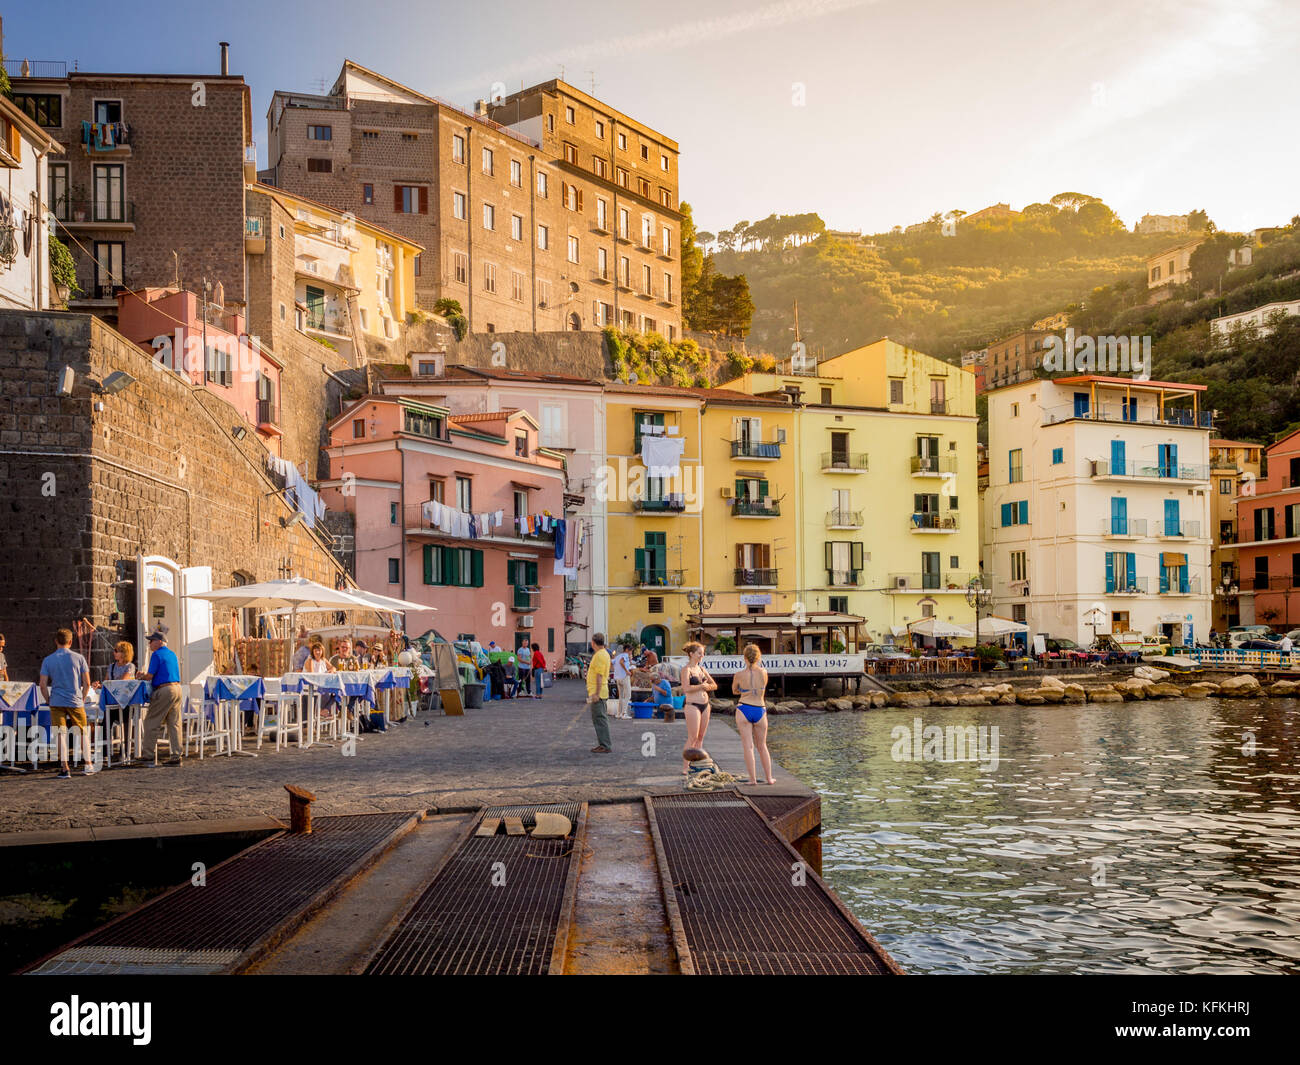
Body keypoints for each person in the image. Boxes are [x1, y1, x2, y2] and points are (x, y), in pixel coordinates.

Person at [39, 628, 95, 777]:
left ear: (56, 641)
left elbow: (43, 685)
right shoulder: (79, 658)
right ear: (70, 641)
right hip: (75, 700)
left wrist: (48, 700)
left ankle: (65, 767)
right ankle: (88, 764)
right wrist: (82, 699)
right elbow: (87, 683)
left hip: (56, 700)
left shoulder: (48, 660)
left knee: (59, 734)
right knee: (83, 732)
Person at [138, 629, 184, 767]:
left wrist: (141, 676)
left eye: (151, 641)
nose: (150, 644)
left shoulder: (157, 655)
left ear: (159, 642)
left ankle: (148, 756)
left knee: (151, 722)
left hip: (164, 690)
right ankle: (176, 756)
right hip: (177, 688)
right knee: (174, 723)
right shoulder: (172, 654)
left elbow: (150, 676)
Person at [732, 645, 775, 785]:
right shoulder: (764, 672)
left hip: (744, 707)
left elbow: (734, 691)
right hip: (760, 709)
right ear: (758, 657)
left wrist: (743, 691)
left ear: (744, 658)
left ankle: (753, 779)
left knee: (748, 746)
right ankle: (769, 778)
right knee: (762, 746)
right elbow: (762, 688)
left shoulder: (738, 674)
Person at [680, 642, 717, 774]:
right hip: (692, 705)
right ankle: (685, 766)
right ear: (691, 654)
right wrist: (701, 686)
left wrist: (707, 687)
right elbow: (686, 688)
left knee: (700, 737)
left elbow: (714, 685)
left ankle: (697, 764)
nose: (702, 655)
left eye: (703, 653)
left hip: (705, 705)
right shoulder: (686, 670)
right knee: (693, 737)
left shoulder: (702, 670)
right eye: (699, 653)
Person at [585, 633, 612, 753]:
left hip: (599, 692)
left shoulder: (600, 655)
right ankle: (603, 743)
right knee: (599, 719)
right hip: (600, 691)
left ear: (593, 643)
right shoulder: (604, 653)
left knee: (600, 719)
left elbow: (599, 676)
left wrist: (596, 693)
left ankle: (605, 745)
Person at [612, 642, 634, 719]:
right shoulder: (625, 655)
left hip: (618, 678)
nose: (631, 653)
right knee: (628, 695)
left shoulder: (618, 656)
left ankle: (619, 713)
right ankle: (624, 713)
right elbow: (622, 662)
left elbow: (612, 662)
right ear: (627, 650)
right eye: (631, 651)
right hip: (624, 677)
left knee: (621, 696)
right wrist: (626, 671)